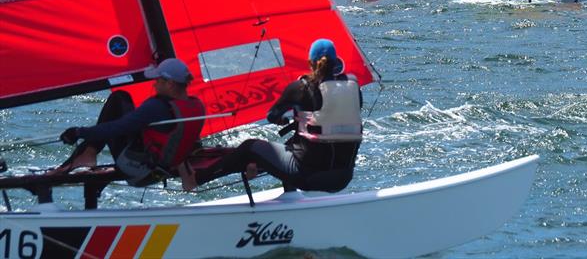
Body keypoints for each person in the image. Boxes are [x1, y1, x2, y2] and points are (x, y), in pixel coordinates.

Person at [180, 38, 362, 194]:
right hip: (343, 177)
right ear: (336, 62)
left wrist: (285, 119)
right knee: (293, 146)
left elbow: (272, 116)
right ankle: (269, 178)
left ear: (311, 63)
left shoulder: (301, 88)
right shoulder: (353, 88)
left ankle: (196, 179)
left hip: (308, 177)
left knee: (250, 146)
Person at [56, 58, 205, 186]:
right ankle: (88, 153)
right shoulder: (196, 106)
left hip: (138, 171)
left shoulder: (157, 106)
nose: (154, 85)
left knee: (118, 99)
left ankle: (87, 154)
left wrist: (78, 132)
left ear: (170, 84)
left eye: (158, 80)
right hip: (162, 171)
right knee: (123, 104)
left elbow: (117, 128)